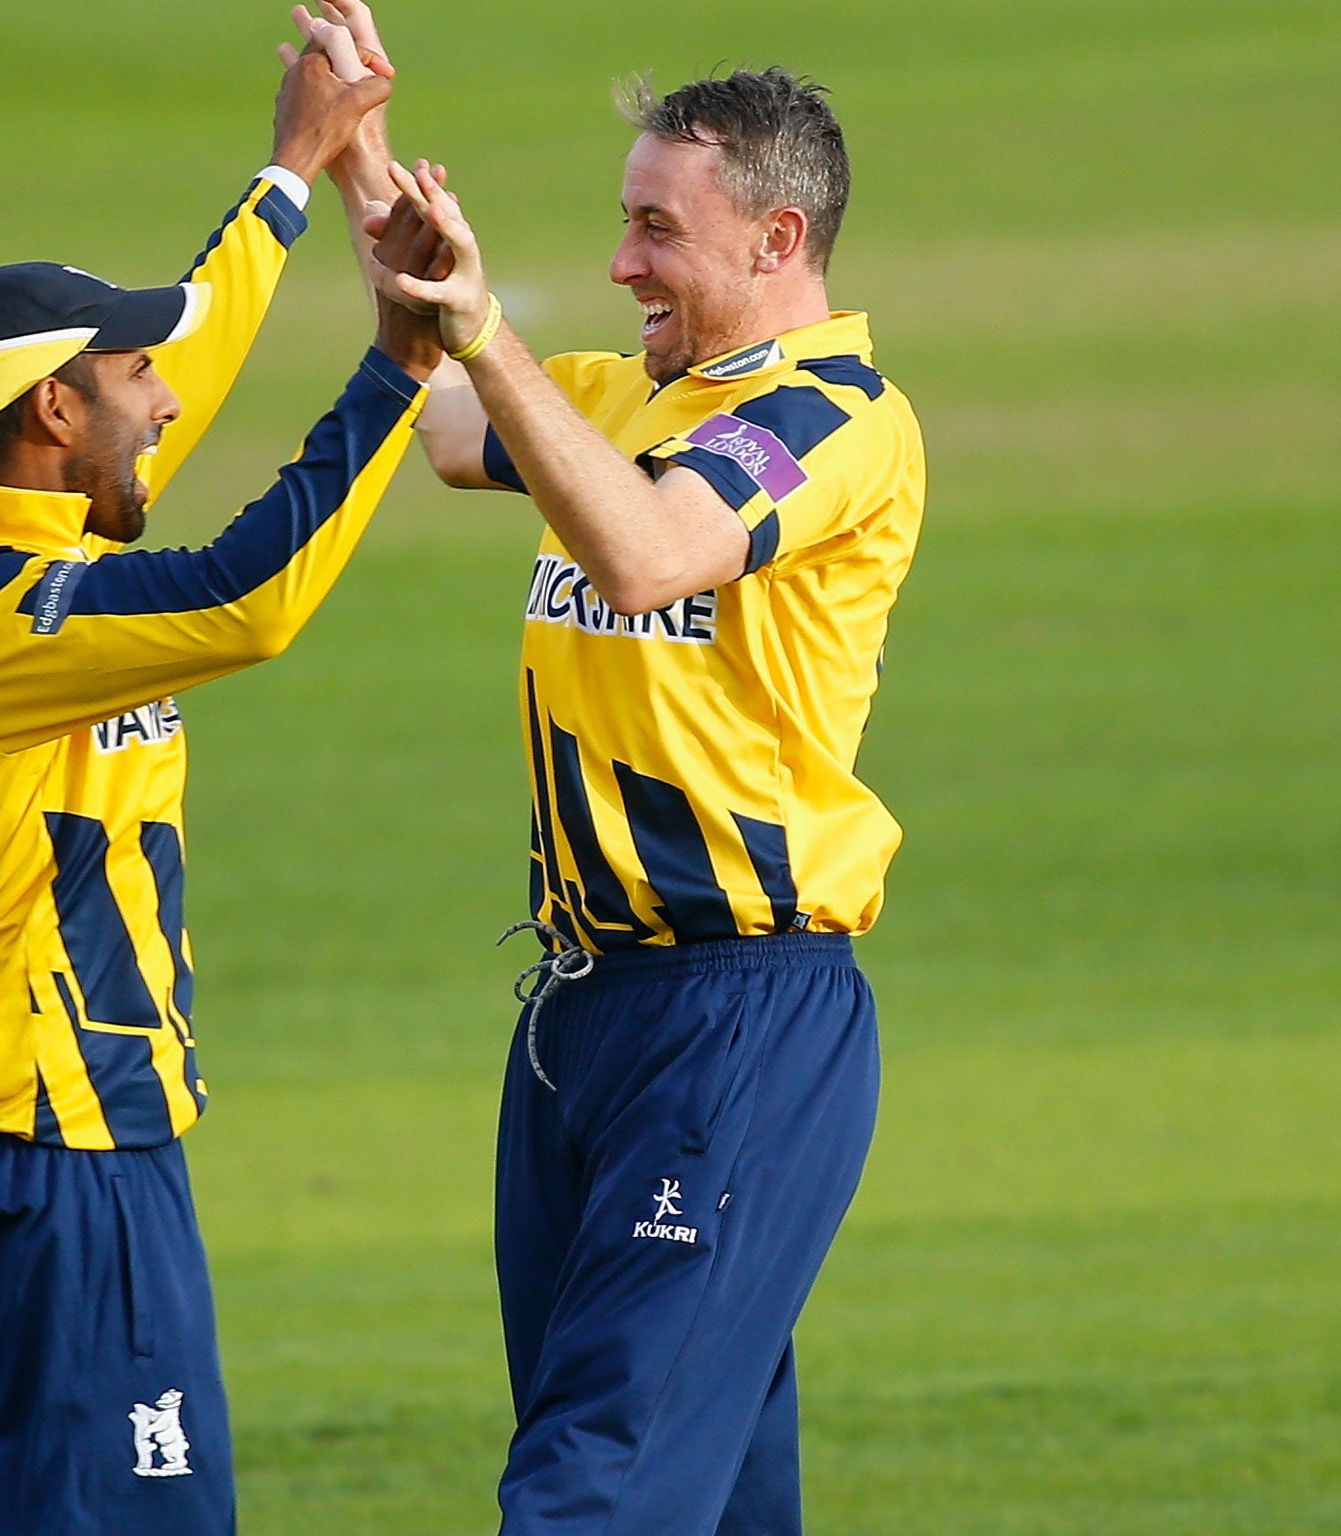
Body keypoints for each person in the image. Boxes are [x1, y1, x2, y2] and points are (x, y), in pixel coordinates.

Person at [299, 7, 927, 1532]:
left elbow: (647, 555)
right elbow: (456, 428)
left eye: (658, 229)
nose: (624, 262)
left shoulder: (829, 421)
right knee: (699, 1490)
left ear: (779, 239)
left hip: (738, 1021)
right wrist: (362, 163)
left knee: (592, 1485)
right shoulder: (629, 396)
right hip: (586, 1018)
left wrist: (486, 328)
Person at [0, 36, 443, 1536]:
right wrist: (398, 370)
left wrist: (292, 174)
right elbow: (249, 601)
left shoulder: (37, 544)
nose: (170, 403)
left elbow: (194, 356)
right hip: (49, 1167)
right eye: (134, 378)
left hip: (90, 1157)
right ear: (55, 416)